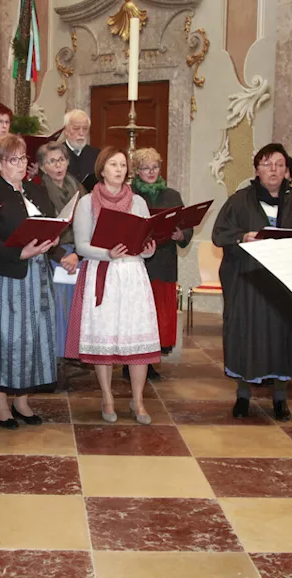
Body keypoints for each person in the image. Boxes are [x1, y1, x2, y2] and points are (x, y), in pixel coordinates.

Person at [212, 142, 292, 421]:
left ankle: (280, 398)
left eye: (279, 164)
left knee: (283, 338)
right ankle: (243, 396)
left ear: (287, 171)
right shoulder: (240, 200)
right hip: (248, 282)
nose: (273, 170)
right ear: (257, 170)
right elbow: (220, 234)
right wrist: (244, 237)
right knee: (246, 335)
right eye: (267, 165)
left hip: (286, 284)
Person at [0, 134, 65, 427]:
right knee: (5, 339)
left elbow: (47, 222)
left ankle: (22, 400)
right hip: (5, 277)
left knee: (32, 337)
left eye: (23, 158)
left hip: (37, 275)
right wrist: (19, 252)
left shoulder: (37, 191)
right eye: (13, 160)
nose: (20, 165)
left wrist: (54, 239)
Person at [66, 147, 159, 424]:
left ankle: (138, 400)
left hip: (132, 274)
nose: (119, 169)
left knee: (137, 337)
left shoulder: (138, 202)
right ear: (102, 170)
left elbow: (144, 242)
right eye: (113, 164)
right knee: (104, 339)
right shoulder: (86, 202)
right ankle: (107, 397)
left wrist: (148, 250)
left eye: (122, 165)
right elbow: (81, 245)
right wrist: (107, 253)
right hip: (103, 272)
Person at [132, 147, 192, 379]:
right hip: (139, 262)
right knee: (138, 313)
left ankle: (150, 361)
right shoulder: (130, 194)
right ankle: (133, 363)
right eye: (145, 168)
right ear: (136, 171)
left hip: (165, 261)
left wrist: (181, 235)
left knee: (159, 314)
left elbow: (186, 223)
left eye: (155, 167)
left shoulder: (172, 195)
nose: (151, 172)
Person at [36, 141, 85, 376]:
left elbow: (89, 219)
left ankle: (73, 352)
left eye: (62, 160)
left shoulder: (77, 185)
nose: (58, 165)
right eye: (52, 161)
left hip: (77, 254)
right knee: (56, 308)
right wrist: (62, 254)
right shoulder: (38, 189)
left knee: (76, 306)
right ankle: (54, 359)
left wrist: (78, 253)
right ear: (42, 167)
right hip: (54, 256)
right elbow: (40, 227)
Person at [63, 109, 100, 189]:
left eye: (85, 129)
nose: (81, 133)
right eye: (76, 128)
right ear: (66, 130)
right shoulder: (57, 153)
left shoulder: (97, 155)